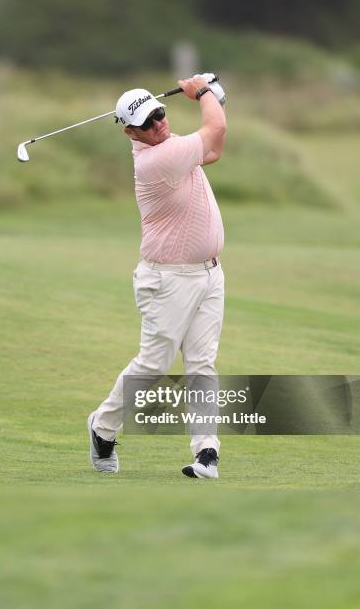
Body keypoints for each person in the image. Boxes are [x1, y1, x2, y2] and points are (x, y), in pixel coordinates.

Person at [88, 74, 227, 479]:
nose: (158, 124)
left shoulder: (170, 147)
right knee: (154, 364)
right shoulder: (155, 161)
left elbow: (213, 149)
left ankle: (206, 452)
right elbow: (214, 129)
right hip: (167, 280)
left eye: (160, 113)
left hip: (209, 275)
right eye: (147, 123)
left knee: (202, 363)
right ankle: (102, 427)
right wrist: (203, 91)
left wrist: (214, 97)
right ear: (131, 132)